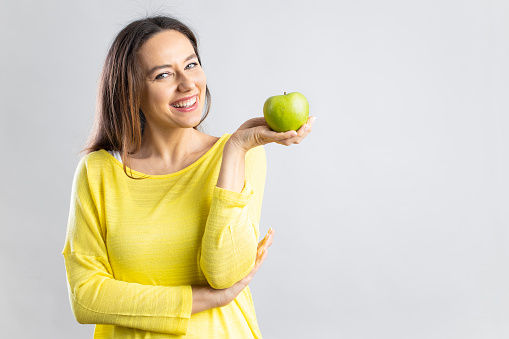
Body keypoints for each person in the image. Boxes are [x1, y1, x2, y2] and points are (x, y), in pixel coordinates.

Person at [62, 15, 315, 338]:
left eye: (192, 65)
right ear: (131, 91)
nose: (186, 84)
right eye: (163, 74)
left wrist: (235, 149)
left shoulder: (243, 155)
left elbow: (224, 273)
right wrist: (200, 299)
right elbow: (86, 297)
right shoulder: (98, 172)